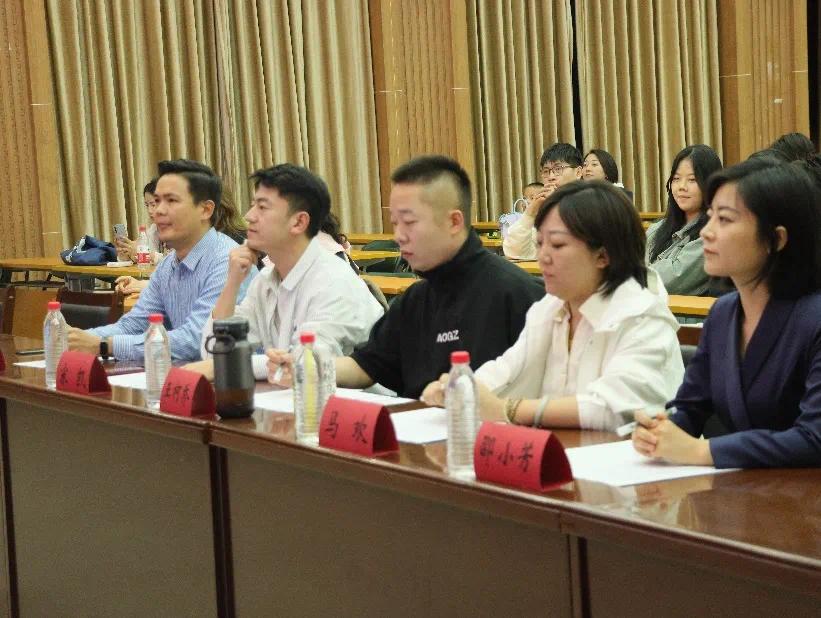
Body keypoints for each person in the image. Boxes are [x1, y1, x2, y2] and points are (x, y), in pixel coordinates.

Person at [267, 155, 545, 399]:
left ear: (454, 221)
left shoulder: (517, 294)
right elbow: (367, 366)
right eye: (395, 224)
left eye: (409, 222)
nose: (399, 235)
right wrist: (309, 367)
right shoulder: (416, 299)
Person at [421, 181, 683, 431]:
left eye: (557, 245)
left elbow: (611, 409)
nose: (542, 257)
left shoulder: (643, 314)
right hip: (563, 449)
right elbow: (508, 368)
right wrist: (461, 389)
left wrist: (507, 409)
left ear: (603, 255)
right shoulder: (551, 306)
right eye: (539, 244)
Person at [633, 159, 821, 468]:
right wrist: (660, 429)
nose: (706, 232)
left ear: (776, 239)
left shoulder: (813, 318)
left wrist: (702, 451)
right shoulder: (723, 313)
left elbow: (814, 439)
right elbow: (690, 408)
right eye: (710, 217)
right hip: (743, 488)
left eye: (725, 219)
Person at [191, 163, 382, 380]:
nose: (249, 216)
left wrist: (225, 366)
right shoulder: (266, 280)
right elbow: (213, 352)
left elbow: (304, 364)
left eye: (262, 207)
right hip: (292, 395)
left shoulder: (333, 282)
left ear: (299, 222)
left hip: (355, 399)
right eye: (252, 206)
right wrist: (232, 283)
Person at [66, 159, 256, 361]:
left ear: (205, 210)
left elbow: (195, 340)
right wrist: (76, 339)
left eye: (171, 201)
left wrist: (104, 345)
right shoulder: (168, 265)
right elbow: (134, 325)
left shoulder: (227, 261)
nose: (158, 211)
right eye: (156, 201)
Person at [646, 144, 722, 296]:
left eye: (692, 180)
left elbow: (670, 280)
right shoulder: (657, 227)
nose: (682, 186)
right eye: (676, 179)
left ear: (711, 184)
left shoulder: (713, 234)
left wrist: (626, 274)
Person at [503, 143, 583, 260]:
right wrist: (530, 213)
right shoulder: (543, 209)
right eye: (546, 171)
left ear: (578, 172)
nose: (551, 177)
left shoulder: (592, 203)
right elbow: (515, 252)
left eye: (558, 169)